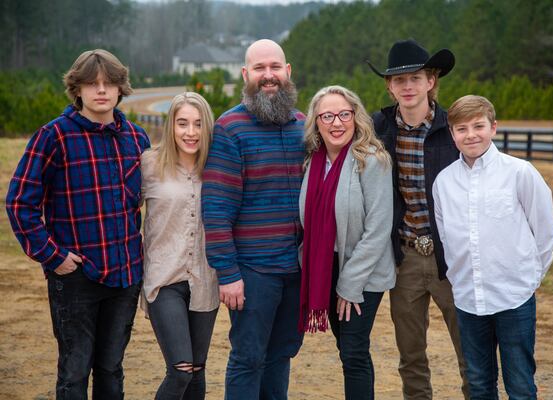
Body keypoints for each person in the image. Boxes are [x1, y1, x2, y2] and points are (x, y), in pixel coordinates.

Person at [5, 49, 149, 399]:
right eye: (91, 84)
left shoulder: (137, 138)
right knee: (74, 370)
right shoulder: (54, 136)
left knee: (111, 368)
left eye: (109, 83)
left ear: (120, 89)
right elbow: (20, 202)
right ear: (77, 89)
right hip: (76, 278)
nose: (101, 90)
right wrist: (53, 257)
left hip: (126, 274)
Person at [433, 95, 553, 399]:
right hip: (467, 299)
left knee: (519, 384)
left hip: (513, 297)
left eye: (478, 126)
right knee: (478, 382)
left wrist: (529, 279)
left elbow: (544, 231)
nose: (471, 134)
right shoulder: (444, 182)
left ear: (494, 127)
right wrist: (460, 279)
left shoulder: (519, 172)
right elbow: (446, 237)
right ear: (452, 134)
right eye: (461, 128)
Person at [201, 39, 305, 400]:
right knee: (248, 358)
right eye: (259, 68)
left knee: (282, 355)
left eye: (275, 67)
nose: (268, 75)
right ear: (246, 75)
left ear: (287, 72)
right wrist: (228, 274)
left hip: (296, 269)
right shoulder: (230, 129)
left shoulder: (304, 126)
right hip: (252, 271)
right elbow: (216, 208)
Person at [367, 39, 469, 399]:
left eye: (415, 78)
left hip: (452, 256)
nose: (407, 86)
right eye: (399, 81)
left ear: (431, 81)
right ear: (390, 87)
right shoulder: (378, 128)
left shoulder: (453, 129)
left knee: (470, 350)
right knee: (411, 355)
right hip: (406, 256)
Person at [298, 85, 395, 399]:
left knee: (354, 351)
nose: (336, 122)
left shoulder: (372, 160)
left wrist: (350, 284)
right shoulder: (312, 163)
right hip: (327, 267)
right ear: (316, 122)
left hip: (362, 274)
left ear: (356, 118)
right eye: (327, 116)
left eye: (343, 114)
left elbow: (378, 230)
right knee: (346, 349)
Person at [140, 92, 219, 399]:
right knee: (180, 369)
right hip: (164, 279)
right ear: (171, 125)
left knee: (197, 371)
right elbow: (120, 212)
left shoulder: (216, 169)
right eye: (183, 123)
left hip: (205, 279)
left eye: (198, 124)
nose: (191, 132)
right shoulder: (149, 164)